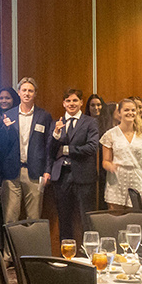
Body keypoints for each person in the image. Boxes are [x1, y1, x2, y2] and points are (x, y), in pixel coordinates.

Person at [0, 77, 52, 221]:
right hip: (11, 172)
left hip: (35, 172)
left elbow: (48, 146)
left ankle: (33, 245)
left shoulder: (44, 116)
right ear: (19, 93)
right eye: (24, 90)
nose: (27, 93)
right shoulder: (8, 115)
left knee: (34, 218)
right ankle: (10, 245)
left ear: (35, 94)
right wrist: (5, 129)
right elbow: (1, 145)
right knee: (10, 218)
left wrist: (47, 171)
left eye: (30, 91)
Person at [49, 89, 99, 240]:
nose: (72, 104)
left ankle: (88, 256)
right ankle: (66, 257)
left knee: (86, 220)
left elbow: (92, 147)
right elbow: (50, 151)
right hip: (62, 177)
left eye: (75, 100)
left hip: (84, 177)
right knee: (64, 220)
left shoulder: (90, 122)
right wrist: (56, 135)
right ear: (63, 103)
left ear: (81, 103)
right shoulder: (56, 123)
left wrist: (66, 149)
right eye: (68, 101)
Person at [100, 99, 142, 209]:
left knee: (136, 219)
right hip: (116, 182)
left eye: (133, 110)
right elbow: (105, 161)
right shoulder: (110, 134)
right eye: (126, 110)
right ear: (119, 112)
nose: (130, 113)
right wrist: (110, 166)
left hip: (137, 179)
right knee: (116, 219)